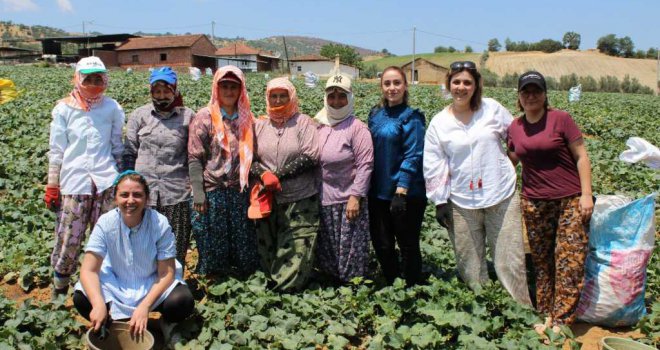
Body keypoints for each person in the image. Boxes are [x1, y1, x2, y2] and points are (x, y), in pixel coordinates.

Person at [423, 61, 531, 305]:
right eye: (456, 82)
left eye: (467, 82)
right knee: (469, 263)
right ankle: (483, 309)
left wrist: (506, 164)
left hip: (501, 195)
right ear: (449, 85)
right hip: (461, 202)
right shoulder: (439, 122)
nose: (461, 87)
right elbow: (434, 163)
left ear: (476, 86)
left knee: (509, 259)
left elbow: (517, 137)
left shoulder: (491, 109)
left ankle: (520, 312)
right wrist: (440, 201)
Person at [507, 71, 593, 331]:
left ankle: (562, 320)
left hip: (570, 200)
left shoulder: (561, 119)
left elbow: (581, 157)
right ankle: (546, 313)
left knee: (570, 260)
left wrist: (586, 194)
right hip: (534, 202)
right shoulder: (515, 127)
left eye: (536, 91)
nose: (530, 96)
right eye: (525, 92)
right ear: (519, 97)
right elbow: (511, 161)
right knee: (543, 262)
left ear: (545, 95)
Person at [73, 171, 194, 341]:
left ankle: (166, 323)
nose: (130, 201)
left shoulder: (159, 223)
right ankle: (109, 322)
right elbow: (88, 270)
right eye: (124, 195)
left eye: (137, 195)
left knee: (182, 301)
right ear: (115, 198)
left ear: (146, 199)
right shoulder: (106, 223)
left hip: (151, 282)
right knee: (82, 298)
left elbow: (166, 273)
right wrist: (99, 303)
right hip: (116, 283)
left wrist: (145, 306)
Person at [45, 56, 124, 297]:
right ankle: (60, 287)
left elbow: (117, 146)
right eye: (87, 78)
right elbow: (57, 150)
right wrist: (52, 184)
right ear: (78, 79)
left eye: (97, 78)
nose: (93, 83)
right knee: (69, 237)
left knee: (106, 238)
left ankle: (102, 288)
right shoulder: (64, 109)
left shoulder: (112, 107)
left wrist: (122, 179)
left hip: (106, 181)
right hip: (74, 182)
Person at [188, 65, 258, 276]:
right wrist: (199, 193)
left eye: (234, 87)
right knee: (213, 241)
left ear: (241, 90)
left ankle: (241, 288)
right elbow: (194, 157)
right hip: (212, 190)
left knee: (242, 241)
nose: (229, 91)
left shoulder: (247, 118)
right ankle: (215, 287)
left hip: (239, 191)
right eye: (224, 86)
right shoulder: (205, 117)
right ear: (216, 89)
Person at [252, 77, 319, 291]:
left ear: (292, 97)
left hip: (300, 198)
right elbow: (248, 158)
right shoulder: (259, 124)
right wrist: (263, 175)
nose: (278, 100)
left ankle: (286, 292)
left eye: (283, 95)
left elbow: (311, 156)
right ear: (267, 97)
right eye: (274, 95)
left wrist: (278, 175)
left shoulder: (303, 123)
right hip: (266, 197)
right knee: (268, 245)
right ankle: (271, 287)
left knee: (298, 247)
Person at [122, 67, 194, 267]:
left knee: (175, 244)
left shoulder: (188, 116)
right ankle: (145, 286)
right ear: (151, 91)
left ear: (175, 90)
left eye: (166, 91)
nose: (162, 96)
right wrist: (126, 185)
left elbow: (194, 154)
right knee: (142, 243)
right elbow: (129, 152)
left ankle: (173, 286)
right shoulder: (140, 115)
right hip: (144, 193)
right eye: (157, 91)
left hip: (176, 192)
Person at [368, 66, 426, 286]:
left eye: (396, 83)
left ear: (405, 86)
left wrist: (401, 191)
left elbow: (414, 154)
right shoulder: (375, 115)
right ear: (381, 87)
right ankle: (392, 283)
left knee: (408, 243)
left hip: (406, 192)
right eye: (387, 83)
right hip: (378, 191)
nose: (392, 88)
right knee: (382, 243)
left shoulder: (413, 117)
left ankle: (412, 286)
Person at [314, 72, 374, 283]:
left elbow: (365, 165)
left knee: (350, 252)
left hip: (347, 202)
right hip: (324, 199)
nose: (336, 101)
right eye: (332, 96)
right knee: (328, 248)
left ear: (350, 98)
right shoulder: (319, 124)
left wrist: (355, 197)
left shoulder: (357, 128)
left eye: (342, 96)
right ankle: (332, 291)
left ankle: (352, 293)